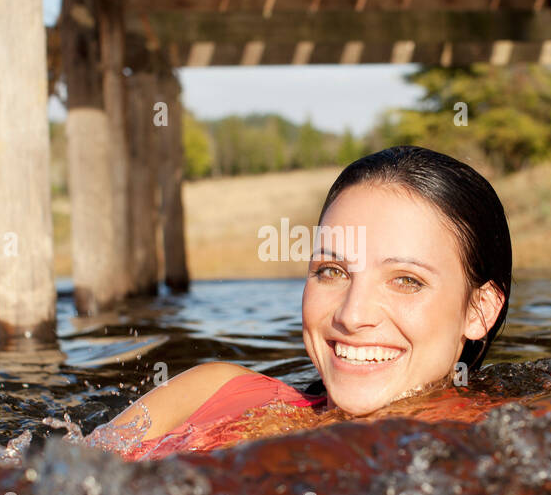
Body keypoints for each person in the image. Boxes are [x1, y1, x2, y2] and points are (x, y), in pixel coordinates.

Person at [107, 145, 512, 456]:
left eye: (406, 280)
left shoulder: (512, 450)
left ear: (480, 311)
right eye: (332, 272)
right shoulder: (209, 393)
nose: (352, 315)